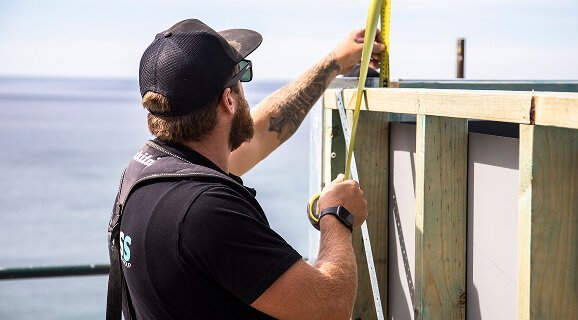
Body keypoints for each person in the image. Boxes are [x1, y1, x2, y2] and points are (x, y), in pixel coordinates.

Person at [107, 18, 385, 320]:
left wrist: (334, 62)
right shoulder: (206, 213)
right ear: (229, 99)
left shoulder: (147, 173)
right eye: (242, 76)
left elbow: (264, 130)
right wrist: (337, 216)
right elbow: (332, 307)